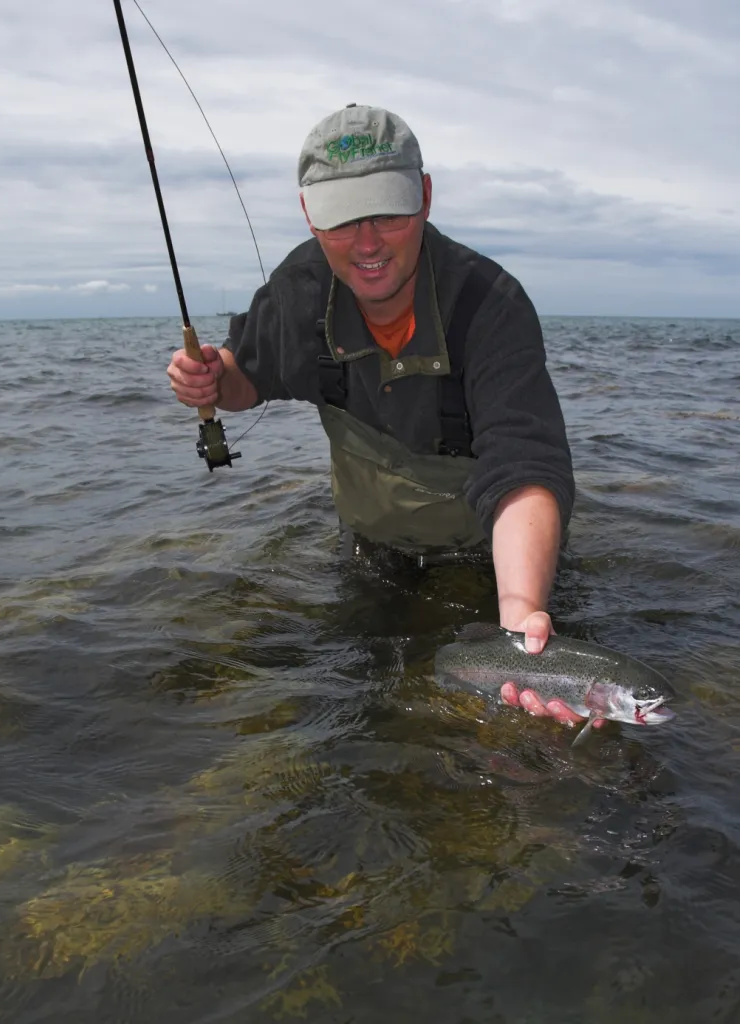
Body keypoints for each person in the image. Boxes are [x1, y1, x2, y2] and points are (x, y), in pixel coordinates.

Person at [167, 104, 603, 733]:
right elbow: (246, 378)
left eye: (387, 213)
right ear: (309, 215)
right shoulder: (299, 291)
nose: (367, 243)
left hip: (492, 560)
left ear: (424, 197)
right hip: (372, 552)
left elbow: (524, 465)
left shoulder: (491, 305)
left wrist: (519, 620)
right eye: (343, 219)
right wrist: (211, 379)